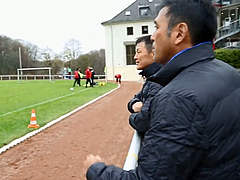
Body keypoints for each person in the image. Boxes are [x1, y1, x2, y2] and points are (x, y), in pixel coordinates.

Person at [85, 0, 240, 179]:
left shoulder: (177, 98)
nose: (152, 37)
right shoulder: (229, 73)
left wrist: (96, 169)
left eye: (156, 27)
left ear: (179, 33)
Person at [127, 35, 162, 137]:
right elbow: (136, 98)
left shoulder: (158, 79)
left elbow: (142, 122)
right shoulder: (151, 78)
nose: (135, 57)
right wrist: (134, 105)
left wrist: (132, 117)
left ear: (153, 53)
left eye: (139, 52)